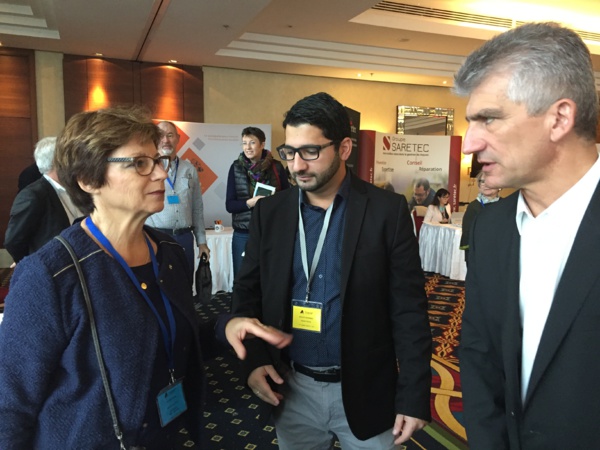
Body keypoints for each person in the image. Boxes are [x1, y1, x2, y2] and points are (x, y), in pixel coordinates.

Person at [0, 106, 292, 449]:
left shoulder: (167, 253)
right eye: (140, 163)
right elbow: (10, 408)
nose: (161, 174)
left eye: (157, 160)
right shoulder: (50, 275)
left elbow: (164, 338)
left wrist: (222, 329)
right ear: (89, 179)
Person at [231, 92, 432, 449]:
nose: (296, 165)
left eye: (310, 151)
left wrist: (414, 394)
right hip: (291, 389)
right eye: (289, 152)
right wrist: (254, 363)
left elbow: (409, 309)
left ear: (344, 148)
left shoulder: (387, 211)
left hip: (366, 387)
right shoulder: (270, 213)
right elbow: (247, 295)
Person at [455, 22, 600, 449]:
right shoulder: (491, 226)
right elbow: (479, 355)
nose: (469, 143)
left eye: (488, 119)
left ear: (559, 118)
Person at [5, 136, 82, 263]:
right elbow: (14, 241)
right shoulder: (33, 195)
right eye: (70, 157)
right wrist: (33, 264)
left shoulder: (77, 188)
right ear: (58, 162)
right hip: (51, 268)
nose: (76, 162)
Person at [225, 126, 289, 278]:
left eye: (252, 142)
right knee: (242, 277)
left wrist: (273, 202)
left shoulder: (277, 167)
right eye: (244, 143)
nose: (247, 147)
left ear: (262, 144)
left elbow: (287, 199)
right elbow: (230, 205)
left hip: (271, 231)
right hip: (244, 233)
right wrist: (250, 202)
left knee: (271, 277)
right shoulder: (236, 168)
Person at [146, 121, 210, 273]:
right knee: (160, 284)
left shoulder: (189, 169)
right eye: (161, 136)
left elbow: (197, 208)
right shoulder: (147, 168)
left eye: (170, 135)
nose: (166, 140)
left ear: (178, 138)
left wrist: (202, 242)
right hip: (156, 238)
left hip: (184, 239)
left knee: (185, 284)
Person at [459, 171, 501, 264]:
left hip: (501, 255)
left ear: (499, 185)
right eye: (482, 181)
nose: (485, 184)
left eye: (490, 181)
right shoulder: (473, 207)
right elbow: (467, 233)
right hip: (478, 256)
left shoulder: (506, 205)